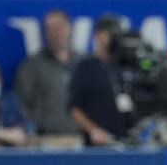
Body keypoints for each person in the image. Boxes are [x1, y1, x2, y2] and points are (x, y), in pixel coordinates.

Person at [68, 16, 133, 145]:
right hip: (98, 142)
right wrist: (93, 130)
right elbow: (73, 107)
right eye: (109, 34)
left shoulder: (124, 66)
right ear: (97, 35)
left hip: (127, 140)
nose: (113, 38)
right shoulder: (85, 67)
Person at [14, 9, 81, 136]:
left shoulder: (84, 64)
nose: (58, 33)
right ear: (46, 33)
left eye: (61, 27)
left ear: (70, 28)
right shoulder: (31, 66)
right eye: (52, 28)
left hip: (81, 139)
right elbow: (21, 104)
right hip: (45, 139)